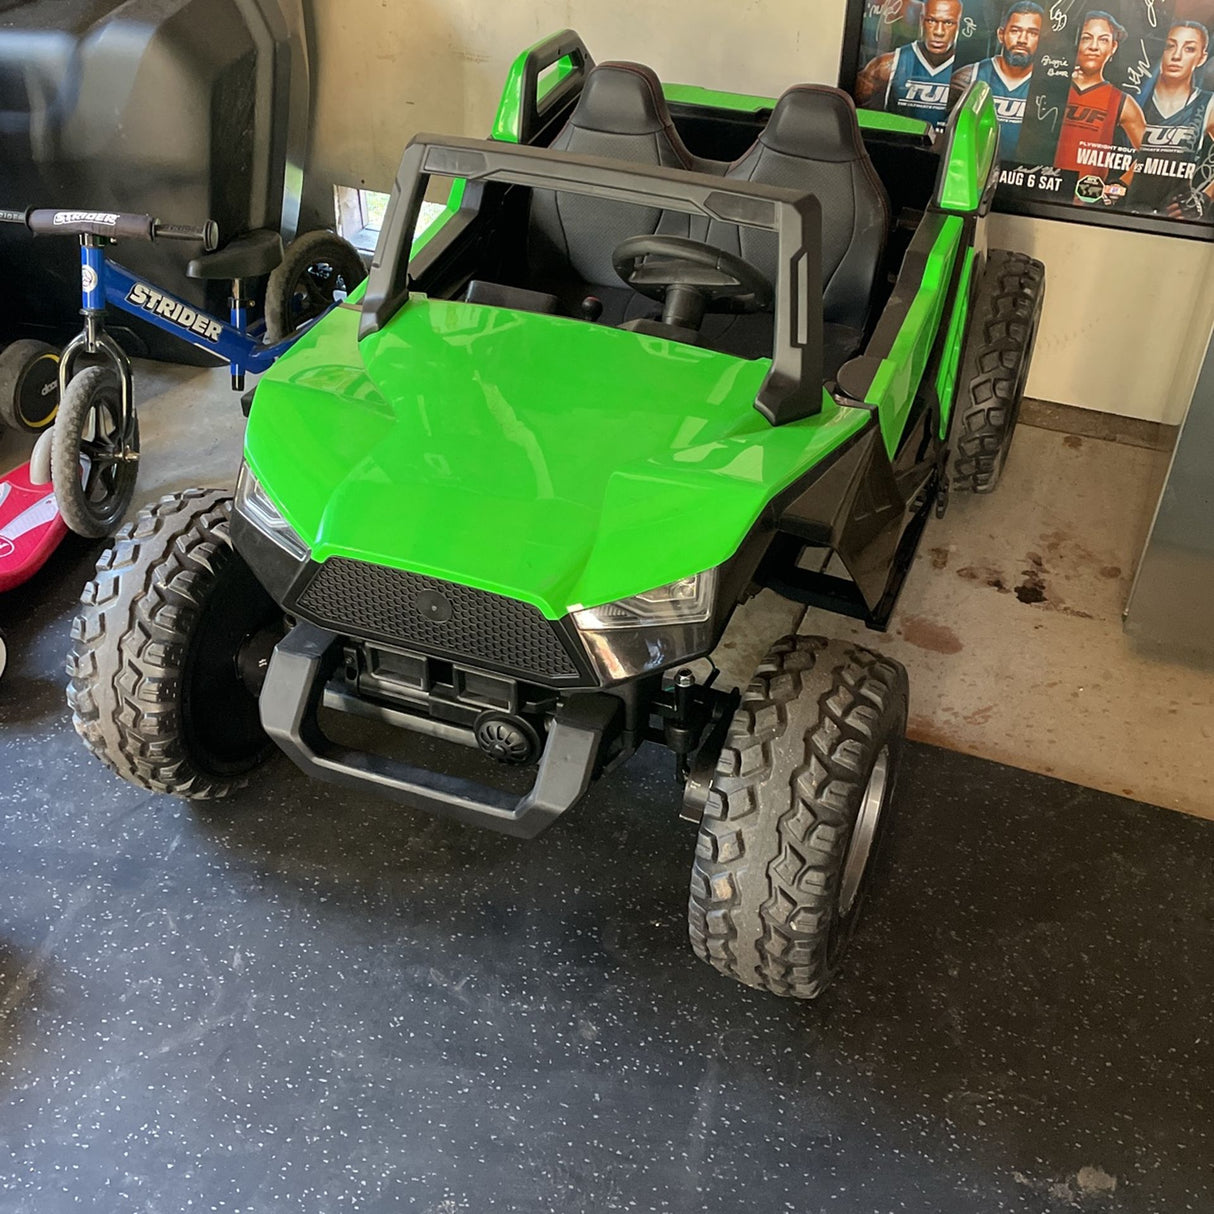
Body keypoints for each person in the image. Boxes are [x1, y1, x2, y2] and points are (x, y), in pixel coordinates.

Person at [1126, 21, 1214, 216]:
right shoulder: (1134, 98)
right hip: (1121, 217)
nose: (1177, 56)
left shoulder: (1208, 104)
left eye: (1189, 48)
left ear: (1201, 58)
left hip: (1173, 225)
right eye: (1170, 46)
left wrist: (1205, 197)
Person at [1053, 10, 1146, 194]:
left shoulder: (1121, 101)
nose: (1094, 46)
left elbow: (1150, 155)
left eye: (1103, 40)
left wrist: (1119, 186)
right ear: (1076, 42)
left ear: (1113, 47)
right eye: (1086, 38)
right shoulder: (1052, 86)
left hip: (1084, 202)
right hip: (1039, 192)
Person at [949, 2, 1045, 160]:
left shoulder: (1046, 86)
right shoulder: (969, 77)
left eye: (1032, 33)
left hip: (1020, 176)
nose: (1022, 39)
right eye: (1015, 31)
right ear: (1001, 34)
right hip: (973, 174)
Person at [854, 0, 963, 129]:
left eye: (948, 23)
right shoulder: (887, 66)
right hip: (897, 144)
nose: (939, 32)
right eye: (931, 21)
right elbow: (853, 115)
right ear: (922, 21)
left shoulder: (968, 74)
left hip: (947, 148)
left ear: (959, 25)